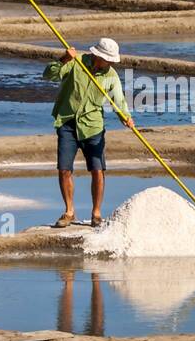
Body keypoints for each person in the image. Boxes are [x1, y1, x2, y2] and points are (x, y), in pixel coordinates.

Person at [44, 38, 134, 228]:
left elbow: (118, 100)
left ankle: (96, 213)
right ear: (97, 55)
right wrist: (64, 59)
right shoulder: (76, 63)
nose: (109, 63)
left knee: (97, 170)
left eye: (111, 61)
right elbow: (49, 75)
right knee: (64, 169)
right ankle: (69, 211)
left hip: (93, 127)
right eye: (107, 60)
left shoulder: (111, 76)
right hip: (67, 122)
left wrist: (125, 116)